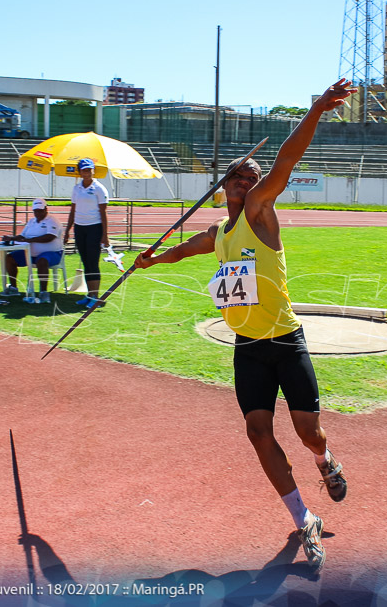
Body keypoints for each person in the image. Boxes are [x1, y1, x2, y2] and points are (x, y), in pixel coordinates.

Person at [134, 79, 356, 572]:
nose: (246, 182)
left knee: (309, 434)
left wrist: (318, 108)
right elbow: (182, 249)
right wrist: (153, 260)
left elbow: (286, 161)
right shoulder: (217, 234)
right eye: (237, 177)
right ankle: (305, 519)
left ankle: (326, 461)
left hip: (286, 341)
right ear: (223, 187)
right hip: (248, 347)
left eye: (252, 177)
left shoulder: (260, 211)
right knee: (258, 432)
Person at [63, 158, 109, 308]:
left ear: (93, 171)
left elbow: (103, 213)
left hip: (94, 228)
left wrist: (105, 235)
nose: (87, 173)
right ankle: (90, 294)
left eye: (89, 170)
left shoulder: (99, 188)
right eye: (84, 170)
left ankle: (95, 296)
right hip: (79, 228)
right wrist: (68, 230)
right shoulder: (76, 189)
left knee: (93, 262)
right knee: (85, 262)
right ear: (79, 172)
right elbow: (72, 210)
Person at [2, 198, 63, 303]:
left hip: (52, 253)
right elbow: (22, 236)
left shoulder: (52, 221)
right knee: (9, 258)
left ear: (46, 209)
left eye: (40, 210)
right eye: (36, 211)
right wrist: (11, 238)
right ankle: (13, 288)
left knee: (42, 261)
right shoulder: (31, 221)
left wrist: (31, 240)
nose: (38, 213)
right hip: (29, 253)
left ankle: (44, 292)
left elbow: (49, 237)